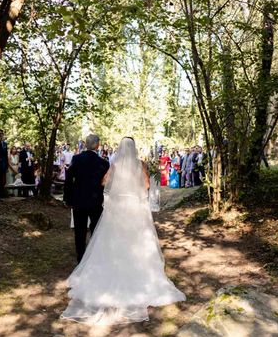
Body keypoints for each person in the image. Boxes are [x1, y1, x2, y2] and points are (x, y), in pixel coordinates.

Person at [61, 137, 185, 325]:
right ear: (134, 148)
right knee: (136, 240)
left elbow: (104, 182)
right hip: (134, 207)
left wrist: (117, 189)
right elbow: (146, 185)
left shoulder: (115, 164)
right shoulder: (141, 163)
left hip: (119, 207)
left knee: (113, 238)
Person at [63, 134, 110, 263]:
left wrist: (67, 198)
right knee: (96, 231)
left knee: (79, 231)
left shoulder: (76, 159)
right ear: (97, 145)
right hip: (95, 202)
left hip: (79, 201)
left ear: (86, 144)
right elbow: (106, 184)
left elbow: (68, 180)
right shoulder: (104, 163)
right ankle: (95, 258)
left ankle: (80, 259)